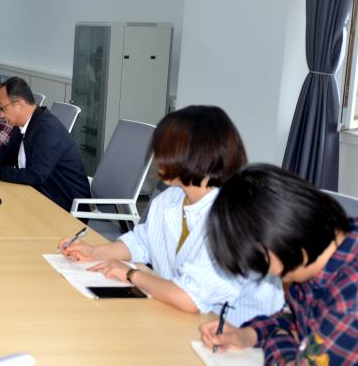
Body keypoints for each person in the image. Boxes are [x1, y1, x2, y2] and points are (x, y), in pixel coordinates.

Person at [60, 107, 284, 327]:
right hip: (185, 319)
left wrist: (130, 274)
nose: (158, 156)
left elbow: (189, 298)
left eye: (166, 147)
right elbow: (142, 241)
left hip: (242, 334)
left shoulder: (231, 217)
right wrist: (94, 252)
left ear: (196, 154)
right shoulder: (169, 199)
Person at [200, 164, 358, 364]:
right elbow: (293, 316)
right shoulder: (319, 250)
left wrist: (276, 338)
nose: (265, 272)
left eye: (258, 262)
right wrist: (249, 335)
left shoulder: (352, 300)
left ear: (276, 243)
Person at [0, 77, 88, 210]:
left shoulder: (47, 129)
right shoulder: (25, 122)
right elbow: (9, 153)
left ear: (20, 104)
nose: (1, 115)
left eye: (3, 108)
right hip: (39, 196)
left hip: (64, 206)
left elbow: (35, 175)